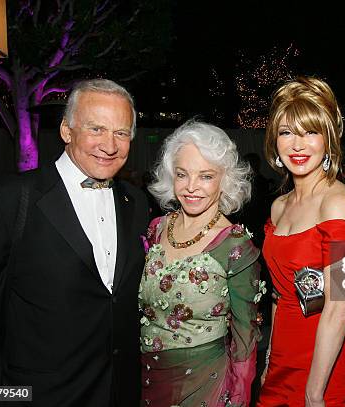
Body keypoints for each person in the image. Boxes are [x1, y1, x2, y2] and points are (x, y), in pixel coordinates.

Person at [0, 79, 149, 406]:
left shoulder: (135, 203)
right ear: (67, 130)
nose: (110, 145)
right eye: (96, 129)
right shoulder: (6, 203)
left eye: (121, 133)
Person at [257, 76, 345, 406]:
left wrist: (315, 392)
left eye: (310, 132)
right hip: (283, 351)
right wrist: (270, 354)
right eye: (286, 132)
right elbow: (278, 292)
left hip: (327, 362)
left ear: (328, 139)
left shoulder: (337, 201)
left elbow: (340, 308)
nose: (297, 145)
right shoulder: (278, 205)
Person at [139, 120, 262, 407]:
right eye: (182, 174)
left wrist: (238, 398)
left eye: (206, 176)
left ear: (225, 179)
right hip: (146, 379)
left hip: (206, 386)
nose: (191, 187)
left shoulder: (235, 245)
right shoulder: (156, 229)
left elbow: (245, 340)